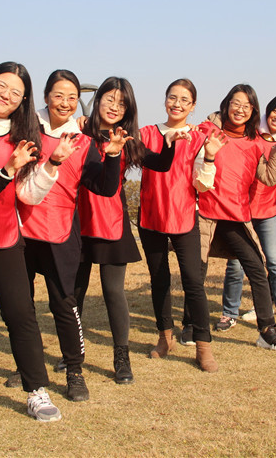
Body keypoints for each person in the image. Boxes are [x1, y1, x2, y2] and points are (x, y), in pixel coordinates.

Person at [0, 61, 77, 422]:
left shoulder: (25, 135)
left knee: (21, 315)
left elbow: (27, 194)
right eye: (1, 86)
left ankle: (36, 390)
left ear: (25, 100)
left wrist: (52, 164)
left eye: (16, 93)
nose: (6, 96)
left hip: (4, 235)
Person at [18, 69, 122, 401]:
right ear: (46, 97)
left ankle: (74, 371)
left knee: (63, 303)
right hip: (19, 230)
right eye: (59, 95)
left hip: (59, 231)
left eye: (72, 98)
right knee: (21, 305)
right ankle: (27, 365)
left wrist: (113, 156)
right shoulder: (26, 129)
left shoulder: (84, 142)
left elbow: (104, 187)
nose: (65, 103)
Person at [74, 76, 183, 384]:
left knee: (113, 291)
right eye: (109, 99)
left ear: (128, 110)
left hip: (111, 222)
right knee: (74, 292)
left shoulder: (127, 139)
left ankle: (121, 357)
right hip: (77, 221)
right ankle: (73, 354)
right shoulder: (80, 132)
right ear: (98, 101)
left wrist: (170, 144)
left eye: (121, 104)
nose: (114, 107)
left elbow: (160, 164)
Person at [193, 84, 276, 351]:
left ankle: (266, 331)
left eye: (247, 106)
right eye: (236, 103)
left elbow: (269, 177)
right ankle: (190, 325)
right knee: (196, 273)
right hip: (205, 215)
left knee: (258, 269)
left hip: (235, 217)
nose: (240, 109)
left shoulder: (256, 142)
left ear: (253, 111)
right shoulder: (206, 130)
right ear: (226, 104)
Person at [137, 78, 219, 372]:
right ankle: (165, 338)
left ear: (193, 106)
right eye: (173, 97)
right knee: (159, 279)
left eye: (185, 100)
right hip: (151, 217)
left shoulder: (199, 138)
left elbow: (203, 184)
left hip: (184, 216)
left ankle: (203, 346)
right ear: (164, 100)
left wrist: (210, 154)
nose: (177, 104)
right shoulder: (146, 133)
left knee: (193, 282)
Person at [217, 93, 276, 337]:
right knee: (235, 264)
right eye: (275, 110)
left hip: (267, 210)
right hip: (240, 209)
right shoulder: (250, 130)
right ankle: (229, 313)